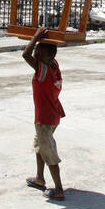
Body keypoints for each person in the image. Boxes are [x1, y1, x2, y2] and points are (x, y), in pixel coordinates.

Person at [22, 27, 66, 200]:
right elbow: (43, 53)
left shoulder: (44, 71)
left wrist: (36, 36)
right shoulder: (54, 65)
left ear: (48, 57)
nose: (37, 54)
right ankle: (40, 179)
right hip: (54, 115)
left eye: (40, 52)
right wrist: (45, 41)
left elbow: (25, 55)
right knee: (39, 147)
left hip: (45, 119)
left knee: (49, 153)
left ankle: (59, 189)